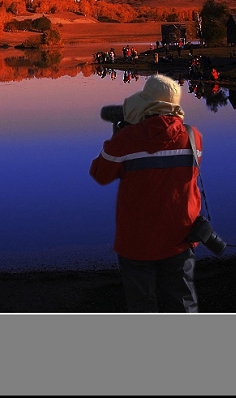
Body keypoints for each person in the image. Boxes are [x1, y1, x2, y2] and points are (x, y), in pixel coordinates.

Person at [89, 74, 204, 313]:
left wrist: (117, 136)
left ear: (144, 104)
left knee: (142, 305)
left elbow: (100, 174)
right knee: (182, 301)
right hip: (180, 235)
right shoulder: (193, 137)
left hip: (137, 240)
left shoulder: (126, 140)